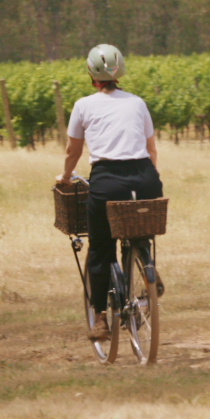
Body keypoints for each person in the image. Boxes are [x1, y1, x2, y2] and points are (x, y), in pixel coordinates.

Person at [55, 44, 163, 341]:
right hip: (145, 178)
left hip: (106, 181)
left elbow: (72, 150)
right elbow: (151, 149)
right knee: (140, 227)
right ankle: (146, 271)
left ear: (91, 75)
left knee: (101, 248)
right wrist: (148, 179)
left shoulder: (83, 105)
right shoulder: (137, 103)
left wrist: (65, 177)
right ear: (120, 72)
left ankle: (101, 318)